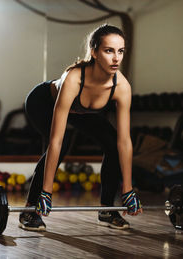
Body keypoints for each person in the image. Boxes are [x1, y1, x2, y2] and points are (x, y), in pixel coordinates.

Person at [19, 24, 143, 231]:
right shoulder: (75, 78)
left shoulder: (122, 87)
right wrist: (47, 193)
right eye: (108, 50)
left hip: (82, 112)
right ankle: (30, 210)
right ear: (94, 52)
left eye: (120, 51)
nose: (116, 58)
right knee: (63, 143)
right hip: (43, 102)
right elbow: (56, 141)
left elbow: (124, 141)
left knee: (112, 143)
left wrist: (128, 190)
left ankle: (106, 210)